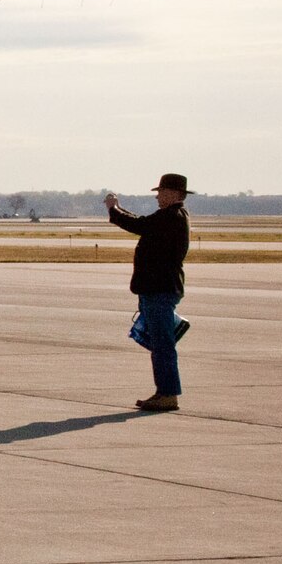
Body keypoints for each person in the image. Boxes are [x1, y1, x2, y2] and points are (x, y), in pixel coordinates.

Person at [105, 174, 192, 412]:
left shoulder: (170, 217)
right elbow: (144, 223)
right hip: (159, 288)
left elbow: (139, 225)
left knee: (163, 345)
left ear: (175, 194)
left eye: (162, 192)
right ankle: (164, 392)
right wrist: (118, 209)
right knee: (160, 343)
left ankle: (168, 394)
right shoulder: (172, 216)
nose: (157, 196)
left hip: (160, 289)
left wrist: (114, 210)